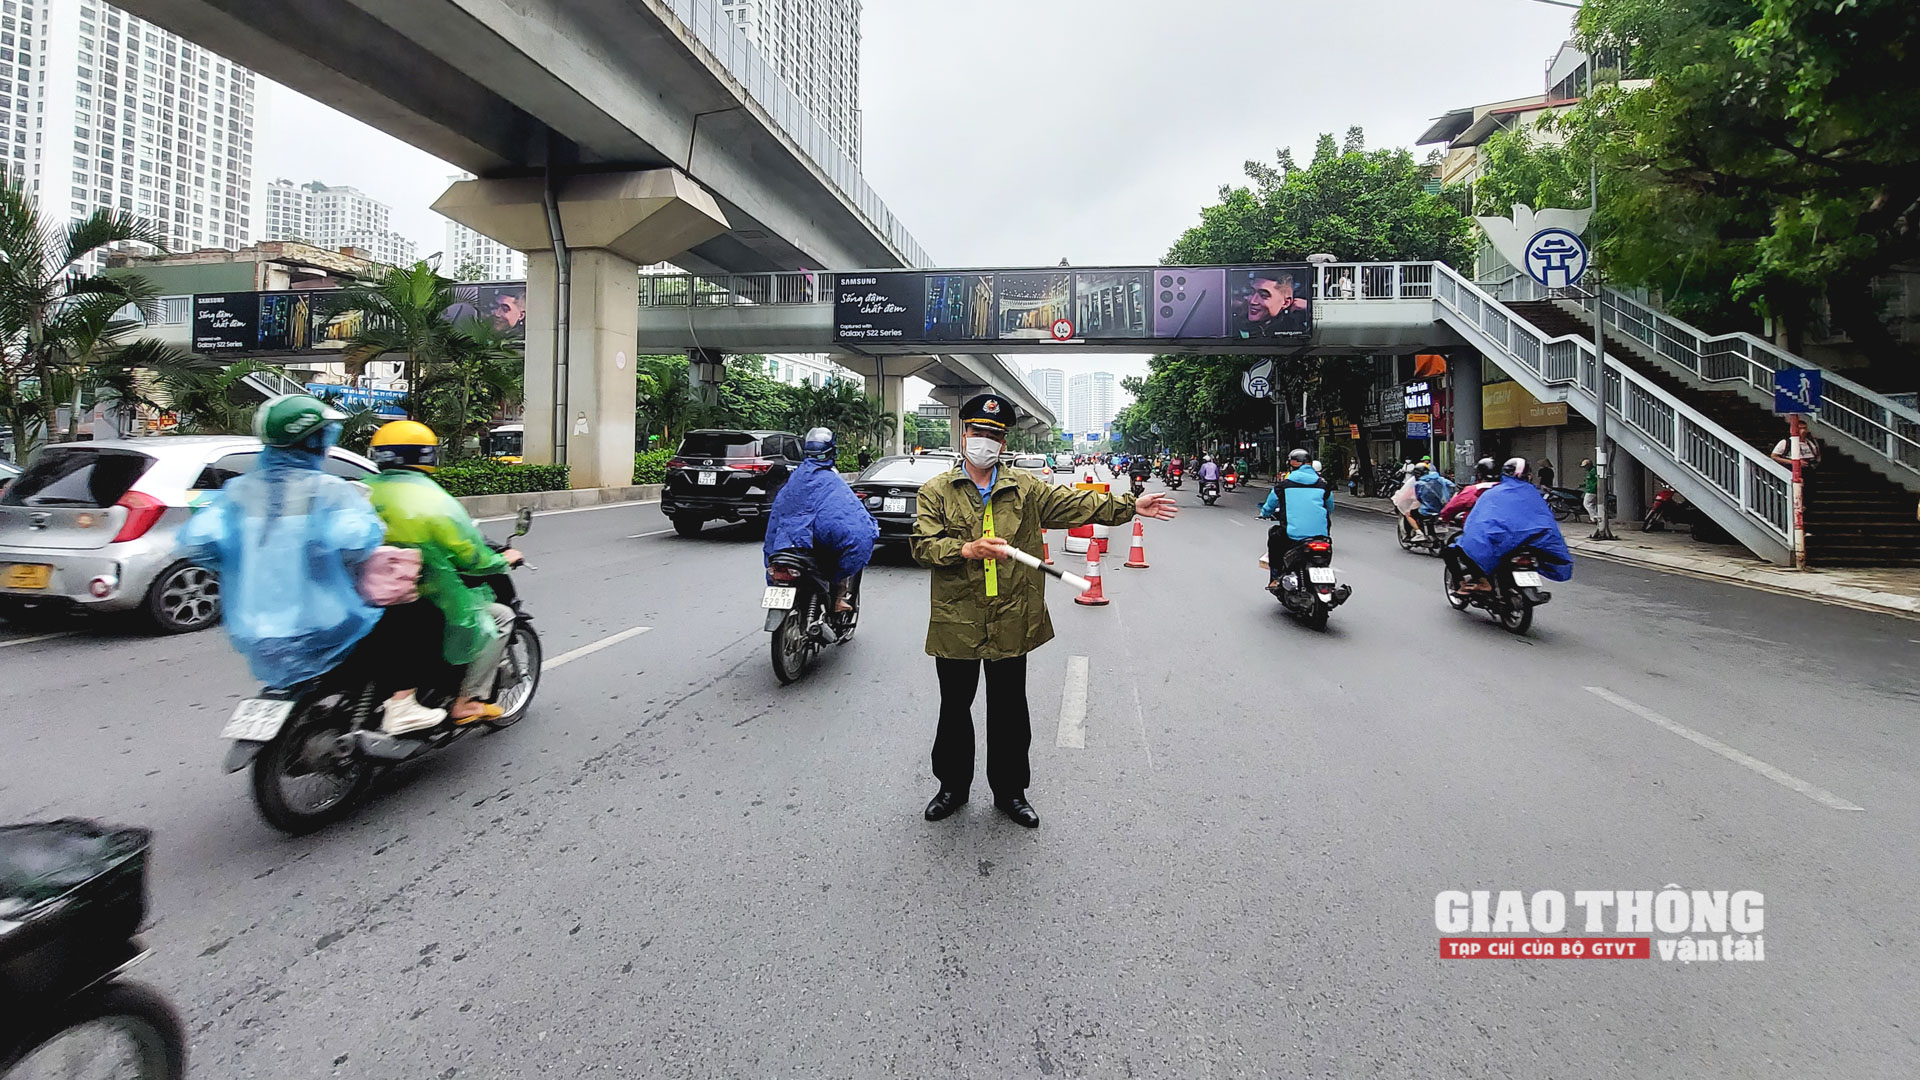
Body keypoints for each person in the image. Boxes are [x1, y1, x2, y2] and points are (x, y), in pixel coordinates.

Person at [912, 393, 1177, 829]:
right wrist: (967, 549)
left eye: (993, 434)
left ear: (1003, 442)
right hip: (957, 618)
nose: (984, 441)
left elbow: (1076, 504)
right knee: (954, 708)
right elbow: (924, 546)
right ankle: (952, 788)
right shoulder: (936, 491)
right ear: (964, 434)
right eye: (977, 431)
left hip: (1012, 615)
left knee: (1009, 710)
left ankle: (1010, 792)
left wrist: (1131, 506)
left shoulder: (1025, 489)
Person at [176, 393, 391, 704]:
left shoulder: (239, 491)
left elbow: (200, 543)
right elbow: (357, 543)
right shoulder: (331, 492)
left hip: (252, 628)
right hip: (325, 623)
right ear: (314, 440)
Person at [364, 420, 521, 726]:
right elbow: (472, 557)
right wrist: (503, 559)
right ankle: (467, 701)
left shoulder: (361, 490)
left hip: (362, 594)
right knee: (501, 617)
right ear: (427, 455)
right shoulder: (435, 501)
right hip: (424, 595)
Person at [764, 427, 878, 615]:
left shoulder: (796, 478)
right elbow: (849, 519)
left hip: (786, 546)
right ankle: (837, 600)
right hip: (811, 546)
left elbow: (777, 518)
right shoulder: (832, 480)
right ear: (832, 452)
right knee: (847, 549)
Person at [1448, 458, 1574, 595]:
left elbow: (1479, 522)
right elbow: (1544, 519)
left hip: (1504, 540)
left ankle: (1483, 582)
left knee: (1464, 546)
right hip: (1534, 540)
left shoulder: (1489, 492)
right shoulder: (1534, 493)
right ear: (1529, 475)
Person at [1259, 450, 1334, 592]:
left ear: (1292, 465)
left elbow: (1270, 504)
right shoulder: (1323, 484)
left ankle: (1275, 578)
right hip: (1321, 536)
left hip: (1293, 535)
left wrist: (1264, 513)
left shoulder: (1284, 484)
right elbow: (1330, 507)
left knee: (1274, 537)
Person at [1240, 271, 1310, 337]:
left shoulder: (1298, 331)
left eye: (1263, 295)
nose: (1252, 301)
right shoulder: (1236, 327)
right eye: (1251, 292)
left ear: (1286, 303)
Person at [1440, 458, 1500, 526]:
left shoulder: (1473, 490)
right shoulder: (1506, 490)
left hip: (1476, 529)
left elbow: (1450, 508)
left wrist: (1444, 518)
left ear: (1479, 474)